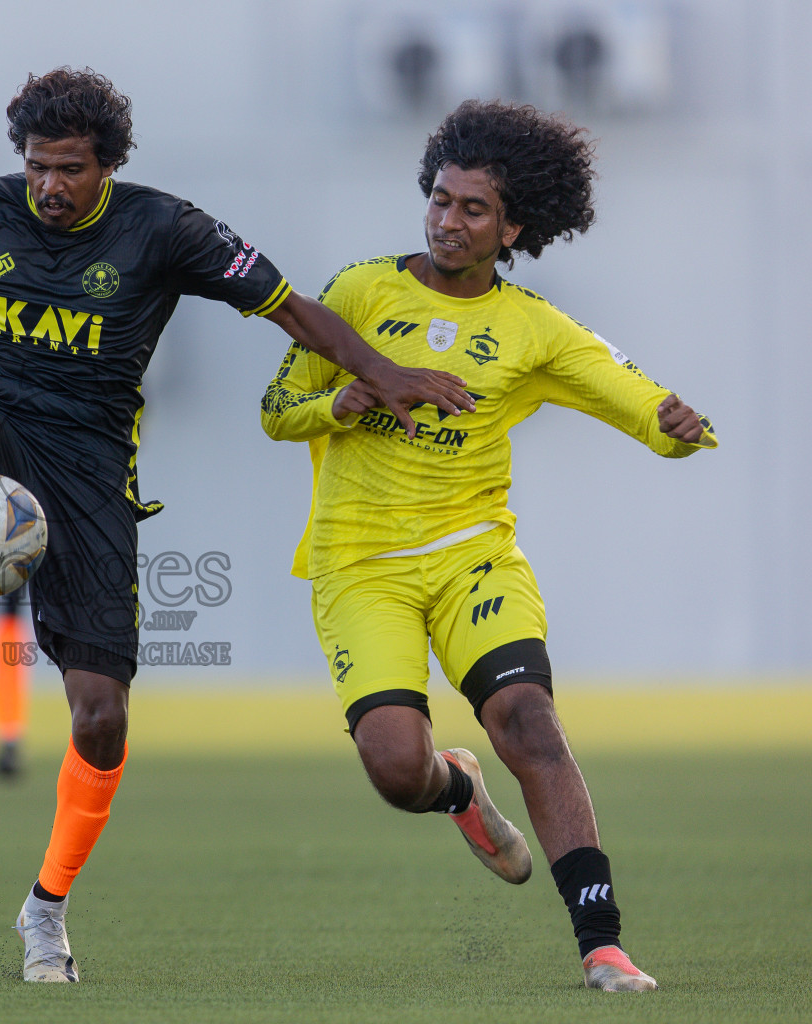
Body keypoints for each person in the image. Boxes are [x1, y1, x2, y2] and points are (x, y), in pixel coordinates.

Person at [0, 67, 474, 984]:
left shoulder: (167, 228)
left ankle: (46, 911)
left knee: (101, 718)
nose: (49, 186)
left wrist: (385, 373)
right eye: (37, 166)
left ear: (106, 165)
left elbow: (290, 309)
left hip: (92, 470)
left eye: (69, 168)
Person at [261, 99, 717, 993]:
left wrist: (673, 424)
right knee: (397, 769)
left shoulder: (533, 328)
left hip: (473, 557)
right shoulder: (357, 292)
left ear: (514, 228)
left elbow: (628, 394)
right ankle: (458, 792)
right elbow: (276, 411)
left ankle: (603, 946)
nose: (448, 220)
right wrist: (338, 403)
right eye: (440, 198)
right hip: (358, 568)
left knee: (528, 722)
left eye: (474, 209)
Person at [0, 588, 31, 779]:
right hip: (7, 625)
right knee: (6, 686)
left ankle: (9, 744)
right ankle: (9, 743)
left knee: (7, 685)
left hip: (9, 626)